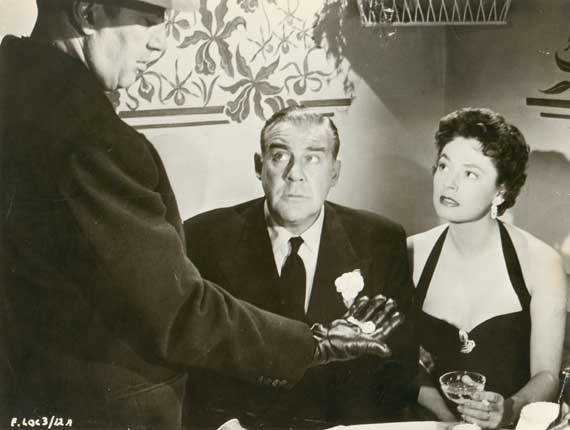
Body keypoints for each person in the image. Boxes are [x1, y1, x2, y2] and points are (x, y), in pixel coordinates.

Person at [0, 2, 405, 429]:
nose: (160, 43)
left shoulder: (15, 90)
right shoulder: (90, 137)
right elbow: (180, 312)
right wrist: (316, 343)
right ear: (87, 13)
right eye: (148, 21)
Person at [183, 106, 419, 427]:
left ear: (334, 173)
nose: (295, 173)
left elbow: (399, 368)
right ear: (259, 166)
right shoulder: (202, 238)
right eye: (280, 156)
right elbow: (190, 359)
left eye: (313, 158)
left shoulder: (380, 240)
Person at [407, 107, 567, 428]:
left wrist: (508, 409)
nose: (449, 183)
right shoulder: (409, 253)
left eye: (470, 174)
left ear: (501, 189)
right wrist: (447, 419)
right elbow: (402, 363)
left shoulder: (541, 262)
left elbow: (547, 375)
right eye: (444, 166)